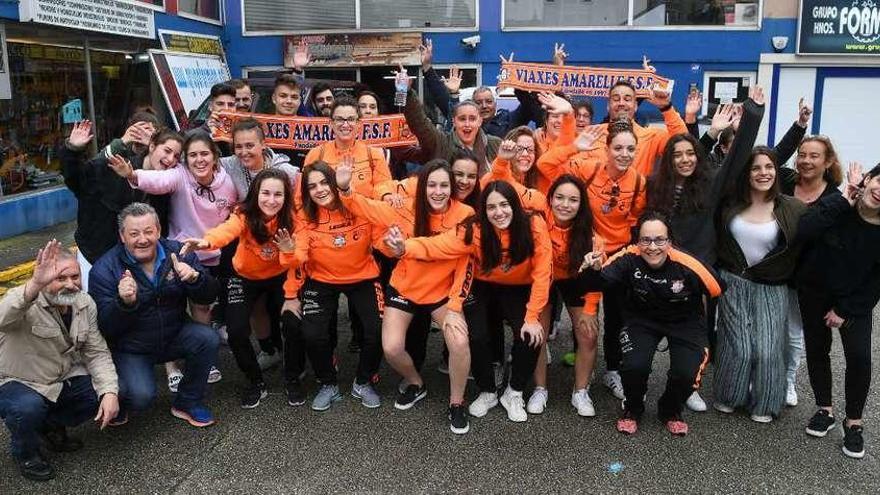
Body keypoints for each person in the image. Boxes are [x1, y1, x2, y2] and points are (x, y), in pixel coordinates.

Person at [387, 180, 553, 425]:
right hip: (482, 284)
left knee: (531, 335)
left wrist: (532, 317)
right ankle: (487, 391)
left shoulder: (533, 224)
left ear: (515, 206)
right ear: (483, 211)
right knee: (476, 335)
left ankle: (513, 392)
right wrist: (405, 248)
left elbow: (543, 273)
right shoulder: (473, 229)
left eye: (505, 205)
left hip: (518, 287)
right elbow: (437, 245)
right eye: (491, 207)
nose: (499, 212)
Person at [646, 99, 764, 411]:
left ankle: (690, 386)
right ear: (668, 160)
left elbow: (737, 158)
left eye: (690, 154)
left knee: (695, 333)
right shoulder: (655, 186)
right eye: (677, 155)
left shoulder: (711, 184)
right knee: (651, 328)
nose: (684, 160)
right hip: (660, 269)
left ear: (698, 157)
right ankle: (639, 384)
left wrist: (753, 113)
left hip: (698, 271)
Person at [336, 159, 474, 423]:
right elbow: (369, 208)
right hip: (405, 288)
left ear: (452, 188)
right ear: (421, 187)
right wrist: (345, 190)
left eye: (444, 185)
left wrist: (456, 306)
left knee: (459, 342)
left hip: (442, 293)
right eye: (431, 185)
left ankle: (457, 402)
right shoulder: (406, 209)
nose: (438, 191)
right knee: (391, 347)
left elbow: (462, 259)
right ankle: (415, 382)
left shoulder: (465, 215)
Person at [713, 87, 808, 423]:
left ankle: (766, 403)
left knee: (768, 350)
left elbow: (824, 225)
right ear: (747, 173)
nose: (764, 172)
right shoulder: (729, 204)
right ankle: (729, 394)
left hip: (772, 286)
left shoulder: (792, 208)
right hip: (733, 282)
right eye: (756, 168)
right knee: (737, 348)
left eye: (769, 167)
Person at [537, 114, 647, 401]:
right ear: (607, 148)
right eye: (618, 148)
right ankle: (541, 383)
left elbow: (635, 221)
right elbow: (546, 165)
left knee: (614, 319)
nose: (624, 154)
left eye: (630, 149)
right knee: (553, 320)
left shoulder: (638, 182)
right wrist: (575, 145)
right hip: (579, 252)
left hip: (616, 255)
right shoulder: (589, 167)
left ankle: (612, 371)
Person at [490, 146, 602, 417]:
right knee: (537, 333)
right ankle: (540, 388)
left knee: (588, 333)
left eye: (573, 200)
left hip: (576, 281)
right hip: (543, 280)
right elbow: (505, 185)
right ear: (549, 199)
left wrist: (590, 309)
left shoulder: (591, 235)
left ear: (581, 204)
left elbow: (597, 278)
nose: (565, 205)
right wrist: (503, 159)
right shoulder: (538, 208)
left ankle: (581, 391)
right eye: (560, 198)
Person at [180, 169, 305, 409]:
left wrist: (288, 249)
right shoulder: (244, 214)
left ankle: (293, 376)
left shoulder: (294, 219)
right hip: (245, 276)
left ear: (286, 197)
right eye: (265, 193)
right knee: (236, 330)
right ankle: (255, 381)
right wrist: (207, 242)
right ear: (256, 193)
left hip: (280, 275)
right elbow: (227, 230)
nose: (271, 200)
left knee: (293, 322)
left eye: (278, 194)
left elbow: (298, 260)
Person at [590, 212, 723, 436]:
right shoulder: (629, 257)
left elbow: (718, 290)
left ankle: (670, 410)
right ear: (637, 241)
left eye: (660, 240)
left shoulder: (688, 264)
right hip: (642, 320)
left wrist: (708, 335)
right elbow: (599, 280)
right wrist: (593, 268)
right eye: (646, 240)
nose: (653, 247)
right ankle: (633, 408)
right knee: (634, 366)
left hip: (684, 322)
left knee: (687, 373)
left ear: (670, 241)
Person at [88, 203, 220, 427]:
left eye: (148, 231)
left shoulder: (179, 252)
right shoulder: (104, 269)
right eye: (134, 233)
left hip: (173, 334)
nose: (142, 239)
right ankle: (121, 396)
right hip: (132, 346)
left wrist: (195, 279)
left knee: (207, 338)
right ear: (122, 236)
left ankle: (187, 402)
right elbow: (104, 327)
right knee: (141, 397)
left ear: (158, 231)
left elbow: (209, 296)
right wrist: (124, 303)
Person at [0, 240, 119, 482]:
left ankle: (48, 426)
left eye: (75, 276)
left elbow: (96, 352)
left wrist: (110, 392)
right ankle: (26, 453)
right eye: (60, 278)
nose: (70, 284)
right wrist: (34, 284)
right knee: (27, 408)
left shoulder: (84, 302)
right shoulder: (25, 300)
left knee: (108, 391)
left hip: (58, 377)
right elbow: (4, 316)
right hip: (16, 380)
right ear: (44, 279)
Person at [795, 163, 880, 459]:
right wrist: (845, 196)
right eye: (879, 181)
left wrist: (845, 310)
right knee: (817, 350)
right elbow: (804, 229)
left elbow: (876, 281)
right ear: (868, 180)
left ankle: (853, 422)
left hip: (855, 301)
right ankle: (825, 410)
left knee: (859, 358)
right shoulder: (840, 205)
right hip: (814, 292)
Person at [293, 162, 385, 411]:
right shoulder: (304, 215)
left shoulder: (357, 205)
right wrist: (291, 252)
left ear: (335, 182)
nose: (320, 190)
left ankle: (364, 381)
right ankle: (328, 383)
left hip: (363, 276)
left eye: (324, 182)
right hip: (321, 279)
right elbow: (299, 252)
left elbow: (381, 240)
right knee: (312, 334)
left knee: (377, 331)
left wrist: (394, 244)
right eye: (312, 186)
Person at [60, 113, 167, 288]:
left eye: (151, 133)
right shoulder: (111, 167)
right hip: (94, 254)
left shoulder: (167, 178)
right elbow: (77, 178)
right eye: (139, 131)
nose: (143, 137)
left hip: (141, 260)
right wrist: (72, 149)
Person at [778, 133, 844, 407]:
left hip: (808, 281)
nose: (806, 161)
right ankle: (764, 376)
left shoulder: (835, 197)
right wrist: (798, 128)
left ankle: (788, 380)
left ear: (827, 161)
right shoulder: (784, 182)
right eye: (802, 155)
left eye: (814, 156)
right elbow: (770, 159)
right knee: (769, 329)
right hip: (776, 271)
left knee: (794, 333)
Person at [574, 79, 688, 177]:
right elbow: (574, 169)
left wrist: (666, 108)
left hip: (637, 200)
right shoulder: (591, 134)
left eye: (627, 99)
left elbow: (683, 142)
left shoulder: (651, 136)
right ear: (608, 106)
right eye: (616, 99)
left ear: (636, 106)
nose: (621, 103)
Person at [403, 70, 501, 173]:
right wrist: (407, 92)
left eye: (472, 119)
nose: (467, 124)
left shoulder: (494, 144)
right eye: (462, 119)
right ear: (453, 121)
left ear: (480, 121)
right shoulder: (442, 143)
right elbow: (420, 124)